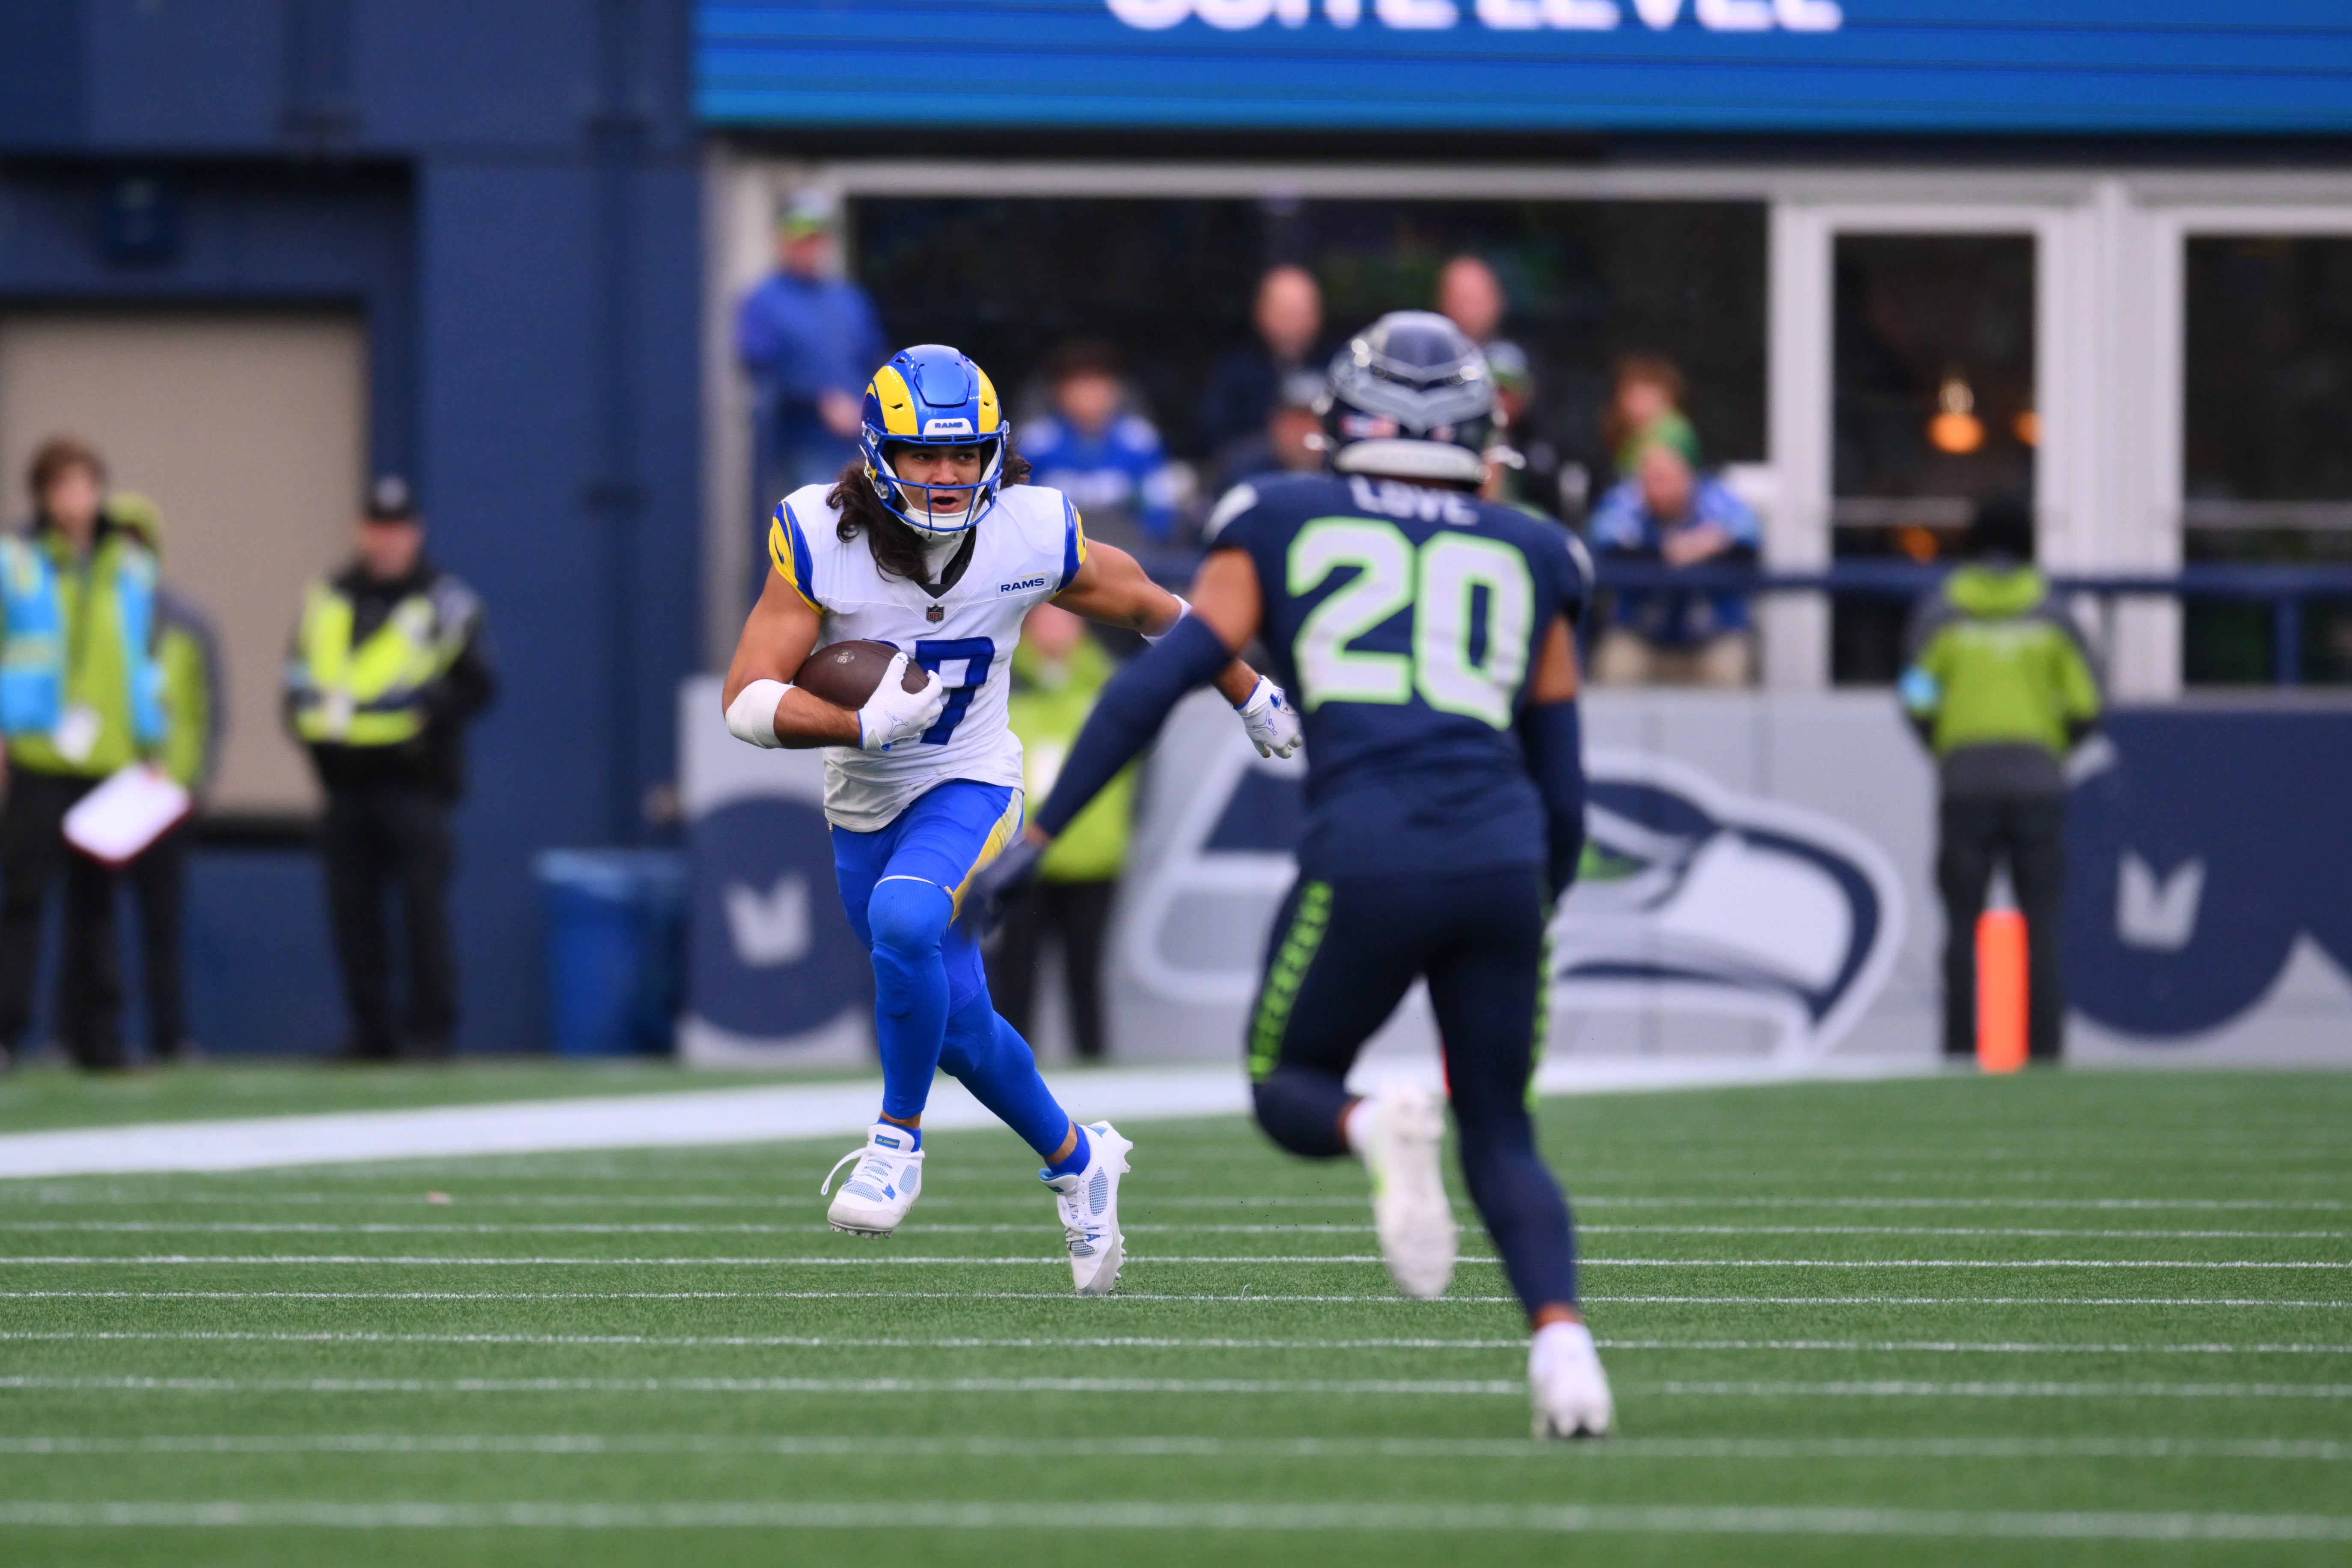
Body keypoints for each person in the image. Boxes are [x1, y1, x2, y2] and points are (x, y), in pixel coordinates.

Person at [969, 312, 1614, 1438]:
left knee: (1288, 1086)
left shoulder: (1278, 517)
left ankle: (1373, 1128)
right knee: (1503, 1130)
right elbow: (1565, 785)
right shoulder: (1536, 551)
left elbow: (1151, 687)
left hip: (1369, 847)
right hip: (1502, 852)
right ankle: (1566, 1355)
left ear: (1341, 424)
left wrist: (1041, 837)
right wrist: (1537, 897)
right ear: (1480, 434)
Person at [719, 343, 1301, 1295]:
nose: (947, 476)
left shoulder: (1031, 530)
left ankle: (895, 1141)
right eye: (923, 455)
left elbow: (1155, 605)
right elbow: (748, 699)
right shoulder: (819, 537)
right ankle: (1079, 1159)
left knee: (906, 922)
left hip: (975, 780)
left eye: (965, 453)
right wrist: (858, 721)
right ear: (876, 454)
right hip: (865, 802)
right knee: (956, 1023)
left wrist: (1246, 687)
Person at [285, 476, 497, 1061]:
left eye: (397, 528)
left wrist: (431, 718)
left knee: (423, 913)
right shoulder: (329, 596)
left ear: (416, 532)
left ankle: (431, 1032)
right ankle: (369, 1030)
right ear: (361, 530)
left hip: (415, 784)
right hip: (345, 784)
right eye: (377, 527)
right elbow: (299, 680)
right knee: (353, 917)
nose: (386, 541)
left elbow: (480, 685)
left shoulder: (445, 601)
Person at [1901, 499, 2101, 1064]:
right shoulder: (2054, 613)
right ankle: (2044, 1051)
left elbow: (1916, 696)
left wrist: (1944, 747)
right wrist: (2051, 750)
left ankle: (1962, 1049)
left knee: (1962, 923)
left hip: (1965, 779)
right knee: (2042, 921)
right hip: (2038, 779)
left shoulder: (1943, 610)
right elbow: (2088, 704)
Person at [0, 438, 169, 1072]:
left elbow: (142, 660)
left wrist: (151, 743)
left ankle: (97, 1039)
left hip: (110, 758)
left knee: (97, 905)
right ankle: (8, 1033)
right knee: (23, 899)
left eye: (87, 485)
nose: (78, 500)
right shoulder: (15, 564)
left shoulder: (131, 565)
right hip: (42, 754)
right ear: (43, 495)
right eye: (64, 487)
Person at [104, 493, 225, 1063]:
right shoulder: (92, 618)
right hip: (105, 788)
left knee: (163, 923)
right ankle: (88, 1035)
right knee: (92, 921)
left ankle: (170, 1036)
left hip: (165, 795)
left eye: (138, 543)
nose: (129, 555)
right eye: (117, 543)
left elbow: (209, 709)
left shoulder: (188, 620)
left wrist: (191, 784)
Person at [985, 602, 1134, 1063]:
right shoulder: (1002, 683)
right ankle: (1004, 1074)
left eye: (1064, 614)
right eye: (1045, 615)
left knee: (1085, 974)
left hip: (1093, 856)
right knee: (1015, 975)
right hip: (1019, 856)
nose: (1055, 625)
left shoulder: (1110, 685)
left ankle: (1094, 1070)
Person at [736, 188, 888, 535]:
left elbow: (876, 364)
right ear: (782, 238)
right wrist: (819, 401)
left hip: (859, 449)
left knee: (868, 535)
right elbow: (760, 368)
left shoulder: (849, 299)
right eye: (800, 235)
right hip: (799, 447)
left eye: (817, 236)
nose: (809, 245)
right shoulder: (764, 301)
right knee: (812, 536)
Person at [1586, 440, 1761, 686]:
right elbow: (1604, 545)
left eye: (1668, 477)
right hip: (1641, 636)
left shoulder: (1718, 500)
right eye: (1651, 477)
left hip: (1710, 637)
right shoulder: (1626, 500)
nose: (1660, 488)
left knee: (1727, 667)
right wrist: (1675, 549)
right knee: (1618, 664)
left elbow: (1749, 545)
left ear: (1690, 475)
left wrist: (1699, 546)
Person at [1016, 342, 1181, 552]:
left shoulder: (1139, 441)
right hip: (1051, 557)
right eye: (1079, 385)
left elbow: (1161, 516)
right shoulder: (1036, 443)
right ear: (1059, 391)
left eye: (1098, 385)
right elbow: (1018, 517)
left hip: (1129, 555)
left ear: (1117, 390)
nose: (1090, 395)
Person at [1197, 264, 1324, 484]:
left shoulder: (1337, 368)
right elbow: (1213, 435)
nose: (1292, 323)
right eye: (1285, 312)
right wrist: (1276, 442)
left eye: (1300, 313)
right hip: (1256, 475)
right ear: (1261, 313)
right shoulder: (1235, 370)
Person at [1602, 355, 1702, 483]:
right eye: (1636, 396)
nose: (1643, 405)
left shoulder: (1672, 429)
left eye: (1651, 397)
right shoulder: (1627, 436)